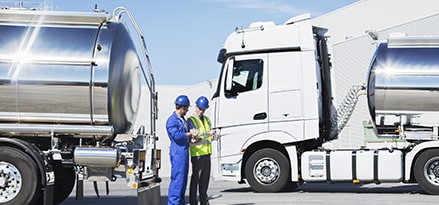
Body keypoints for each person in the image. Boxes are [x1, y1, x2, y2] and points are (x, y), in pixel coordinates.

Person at [166, 95, 198, 205]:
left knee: (183, 180)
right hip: (177, 153)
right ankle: (173, 202)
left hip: (184, 152)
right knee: (177, 180)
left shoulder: (182, 120)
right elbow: (176, 136)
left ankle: (181, 202)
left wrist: (192, 139)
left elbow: (184, 136)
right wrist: (190, 134)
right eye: (186, 108)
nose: (187, 111)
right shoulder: (172, 120)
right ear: (183, 108)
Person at [187, 96, 216, 205]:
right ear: (195, 107)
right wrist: (207, 134)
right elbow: (194, 138)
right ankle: (193, 202)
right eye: (199, 108)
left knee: (205, 181)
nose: (201, 111)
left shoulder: (207, 120)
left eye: (203, 109)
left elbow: (207, 135)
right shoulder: (191, 120)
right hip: (198, 154)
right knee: (196, 180)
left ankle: (204, 201)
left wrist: (213, 136)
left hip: (207, 154)